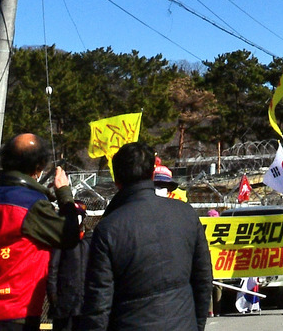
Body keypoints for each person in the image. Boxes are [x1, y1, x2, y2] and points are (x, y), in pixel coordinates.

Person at [80, 141, 212, 331]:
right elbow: (203, 280)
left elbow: (98, 303)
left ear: (116, 180)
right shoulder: (185, 214)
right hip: (183, 322)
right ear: (152, 174)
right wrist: (197, 325)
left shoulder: (108, 228)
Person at [0, 133, 80, 331]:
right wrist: (64, 193)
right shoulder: (33, 205)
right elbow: (69, 234)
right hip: (16, 313)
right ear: (38, 168)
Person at [47, 202, 92, 331]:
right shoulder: (61, 240)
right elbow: (52, 269)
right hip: (65, 305)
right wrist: (54, 299)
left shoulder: (91, 239)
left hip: (85, 304)